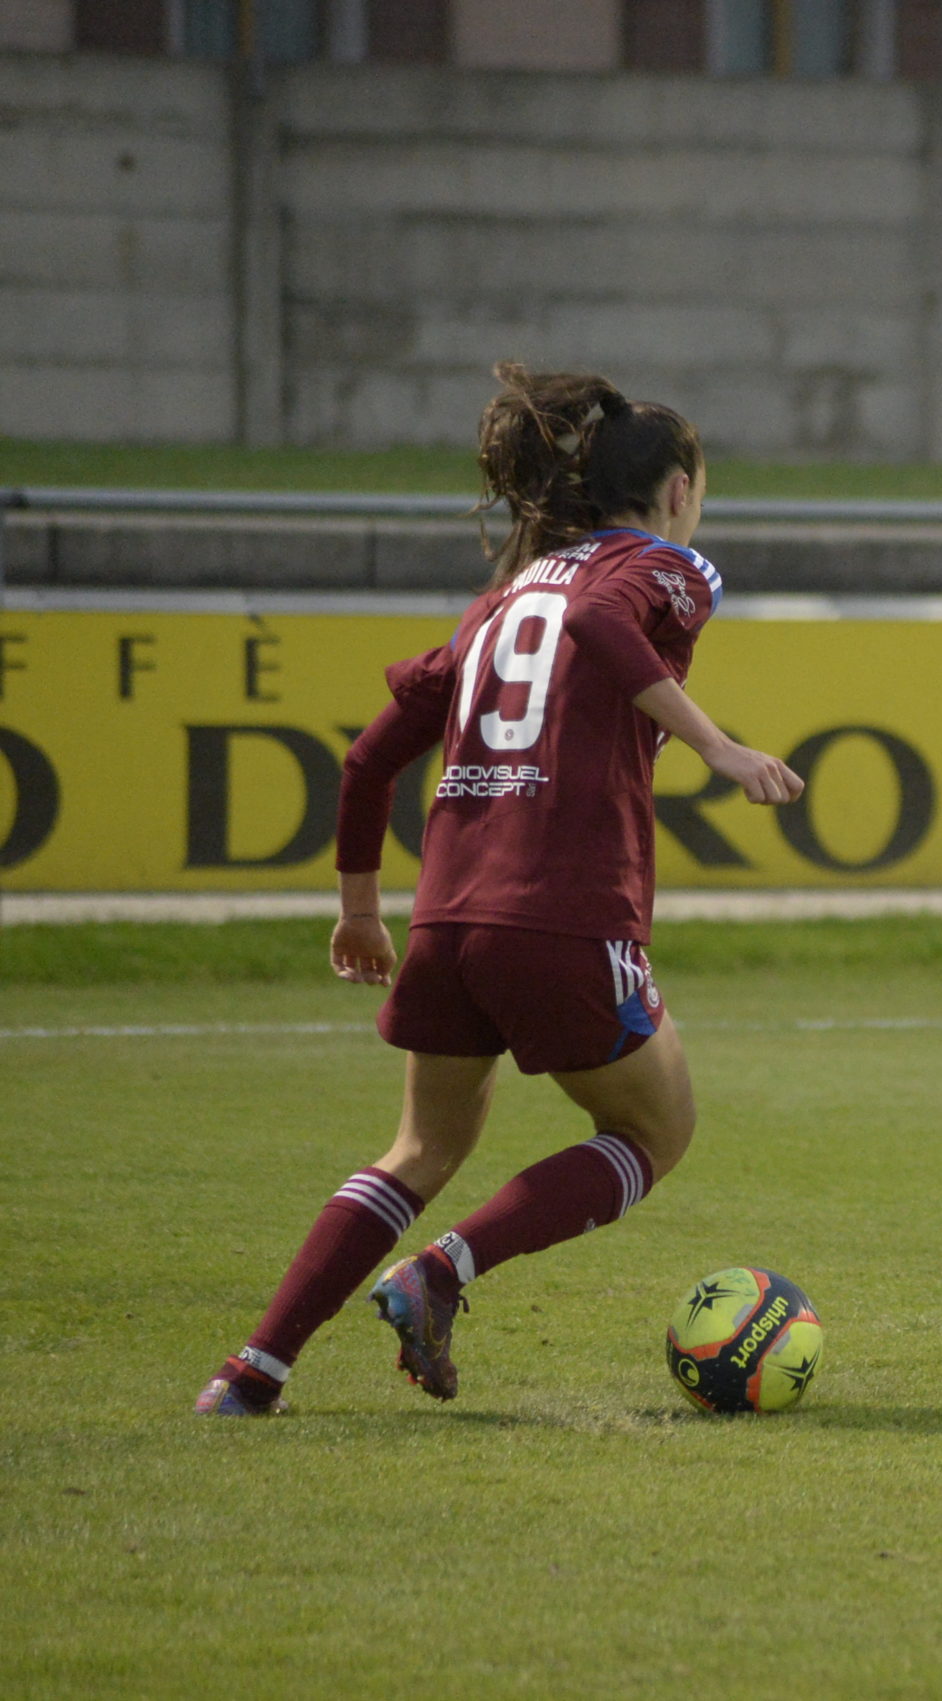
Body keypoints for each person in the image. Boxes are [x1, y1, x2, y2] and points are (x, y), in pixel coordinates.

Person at [195, 363, 804, 1416]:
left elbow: (367, 762)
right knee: (654, 1134)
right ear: (676, 490)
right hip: (563, 909)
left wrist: (359, 909)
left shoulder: (499, 602)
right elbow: (600, 623)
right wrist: (718, 746)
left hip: (449, 914)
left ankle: (249, 1376)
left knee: (421, 1148)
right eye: (700, 486)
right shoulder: (665, 566)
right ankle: (441, 1272)